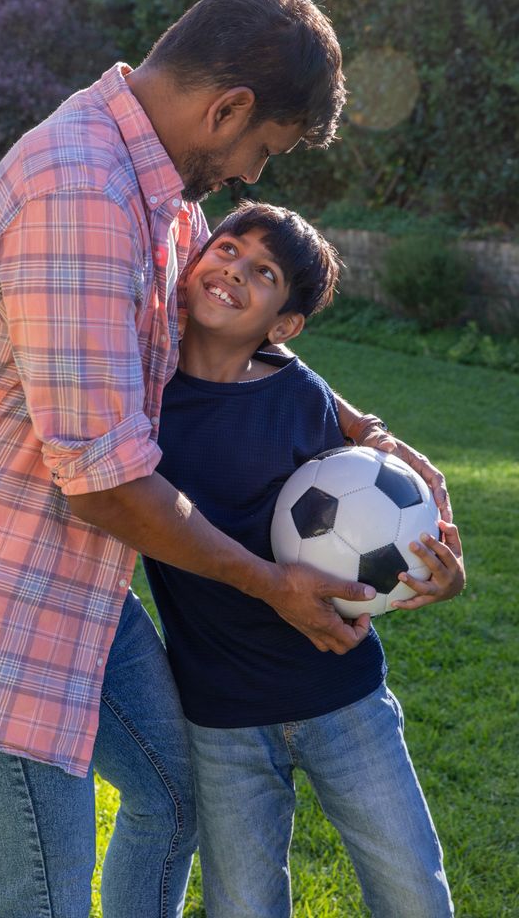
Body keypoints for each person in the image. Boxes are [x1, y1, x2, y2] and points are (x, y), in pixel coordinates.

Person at [0, 0, 453, 918]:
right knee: (44, 897)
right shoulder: (82, 193)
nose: (256, 176)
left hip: (84, 587)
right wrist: (269, 583)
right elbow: (105, 486)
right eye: (265, 148)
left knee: (175, 799)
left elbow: (220, 348)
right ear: (228, 109)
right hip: (2, 602)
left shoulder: (161, 190)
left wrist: (364, 429)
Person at [143, 200, 464, 918]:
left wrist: (436, 569)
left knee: (414, 890)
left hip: (342, 695)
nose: (234, 270)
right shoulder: (142, 399)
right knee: (243, 906)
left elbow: (380, 518)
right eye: (228, 249)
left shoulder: (298, 394)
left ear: (283, 326)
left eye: (264, 273)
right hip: (220, 712)